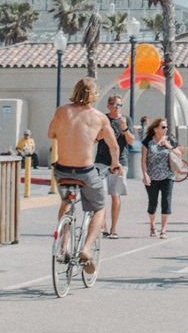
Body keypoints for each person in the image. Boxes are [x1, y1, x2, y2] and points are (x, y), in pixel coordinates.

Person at [47, 78, 120, 274]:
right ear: (95, 95)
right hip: (85, 172)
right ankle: (86, 249)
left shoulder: (61, 111)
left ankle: (63, 246)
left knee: (67, 202)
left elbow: (51, 134)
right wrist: (115, 163)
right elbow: (114, 146)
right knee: (100, 207)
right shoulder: (99, 118)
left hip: (62, 170)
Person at [98, 94, 135, 238]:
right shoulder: (103, 119)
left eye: (119, 105)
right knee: (102, 195)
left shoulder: (126, 120)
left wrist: (124, 128)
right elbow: (95, 138)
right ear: (108, 105)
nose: (116, 108)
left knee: (115, 195)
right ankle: (103, 227)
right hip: (102, 161)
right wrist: (104, 133)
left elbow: (131, 141)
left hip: (120, 161)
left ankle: (113, 229)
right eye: (114, 104)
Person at [141, 117, 181, 238]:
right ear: (155, 129)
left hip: (168, 176)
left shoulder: (170, 140)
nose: (166, 129)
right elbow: (143, 160)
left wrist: (168, 146)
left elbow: (179, 154)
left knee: (166, 202)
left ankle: (163, 230)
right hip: (152, 176)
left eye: (166, 127)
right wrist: (145, 175)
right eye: (163, 127)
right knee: (152, 203)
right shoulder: (148, 141)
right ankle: (153, 225)